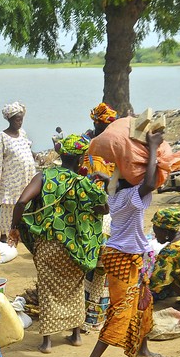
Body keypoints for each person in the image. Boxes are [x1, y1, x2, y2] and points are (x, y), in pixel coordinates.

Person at [8, 135, 109, 353]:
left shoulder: (44, 176)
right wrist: (104, 185)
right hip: (74, 248)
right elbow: (104, 209)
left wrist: (15, 227)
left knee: (48, 288)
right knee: (74, 288)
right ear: (82, 159)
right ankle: (75, 335)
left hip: (48, 246)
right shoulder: (84, 183)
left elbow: (22, 202)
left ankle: (47, 341)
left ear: (61, 154)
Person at [78, 134, 164, 357]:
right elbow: (149, 182)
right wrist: (154, 149)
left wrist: (106, 178)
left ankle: (142, 349)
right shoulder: (128, 196)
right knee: (121, 311)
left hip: (129, 255)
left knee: (143, 301)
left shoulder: (115, 194)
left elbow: (121, 184)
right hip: (123, 257)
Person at [82, 102, 119, 333]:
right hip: (103, 211)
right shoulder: (108, 146)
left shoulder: (100, 147)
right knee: (98, 267)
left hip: (102, 213)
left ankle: (92, 316)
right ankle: (94, 316)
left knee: (98, 267)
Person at [0, 101, 36, 237]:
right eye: (17, 120)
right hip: (10, 178)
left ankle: (22, 233)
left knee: (25, 203)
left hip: (26, 176)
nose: (20, 123)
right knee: (8, 206)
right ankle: (5, 234)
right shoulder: (2, 136)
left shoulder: (23, 133)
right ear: (10, 119)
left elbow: (27, 150)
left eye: (21, 119)